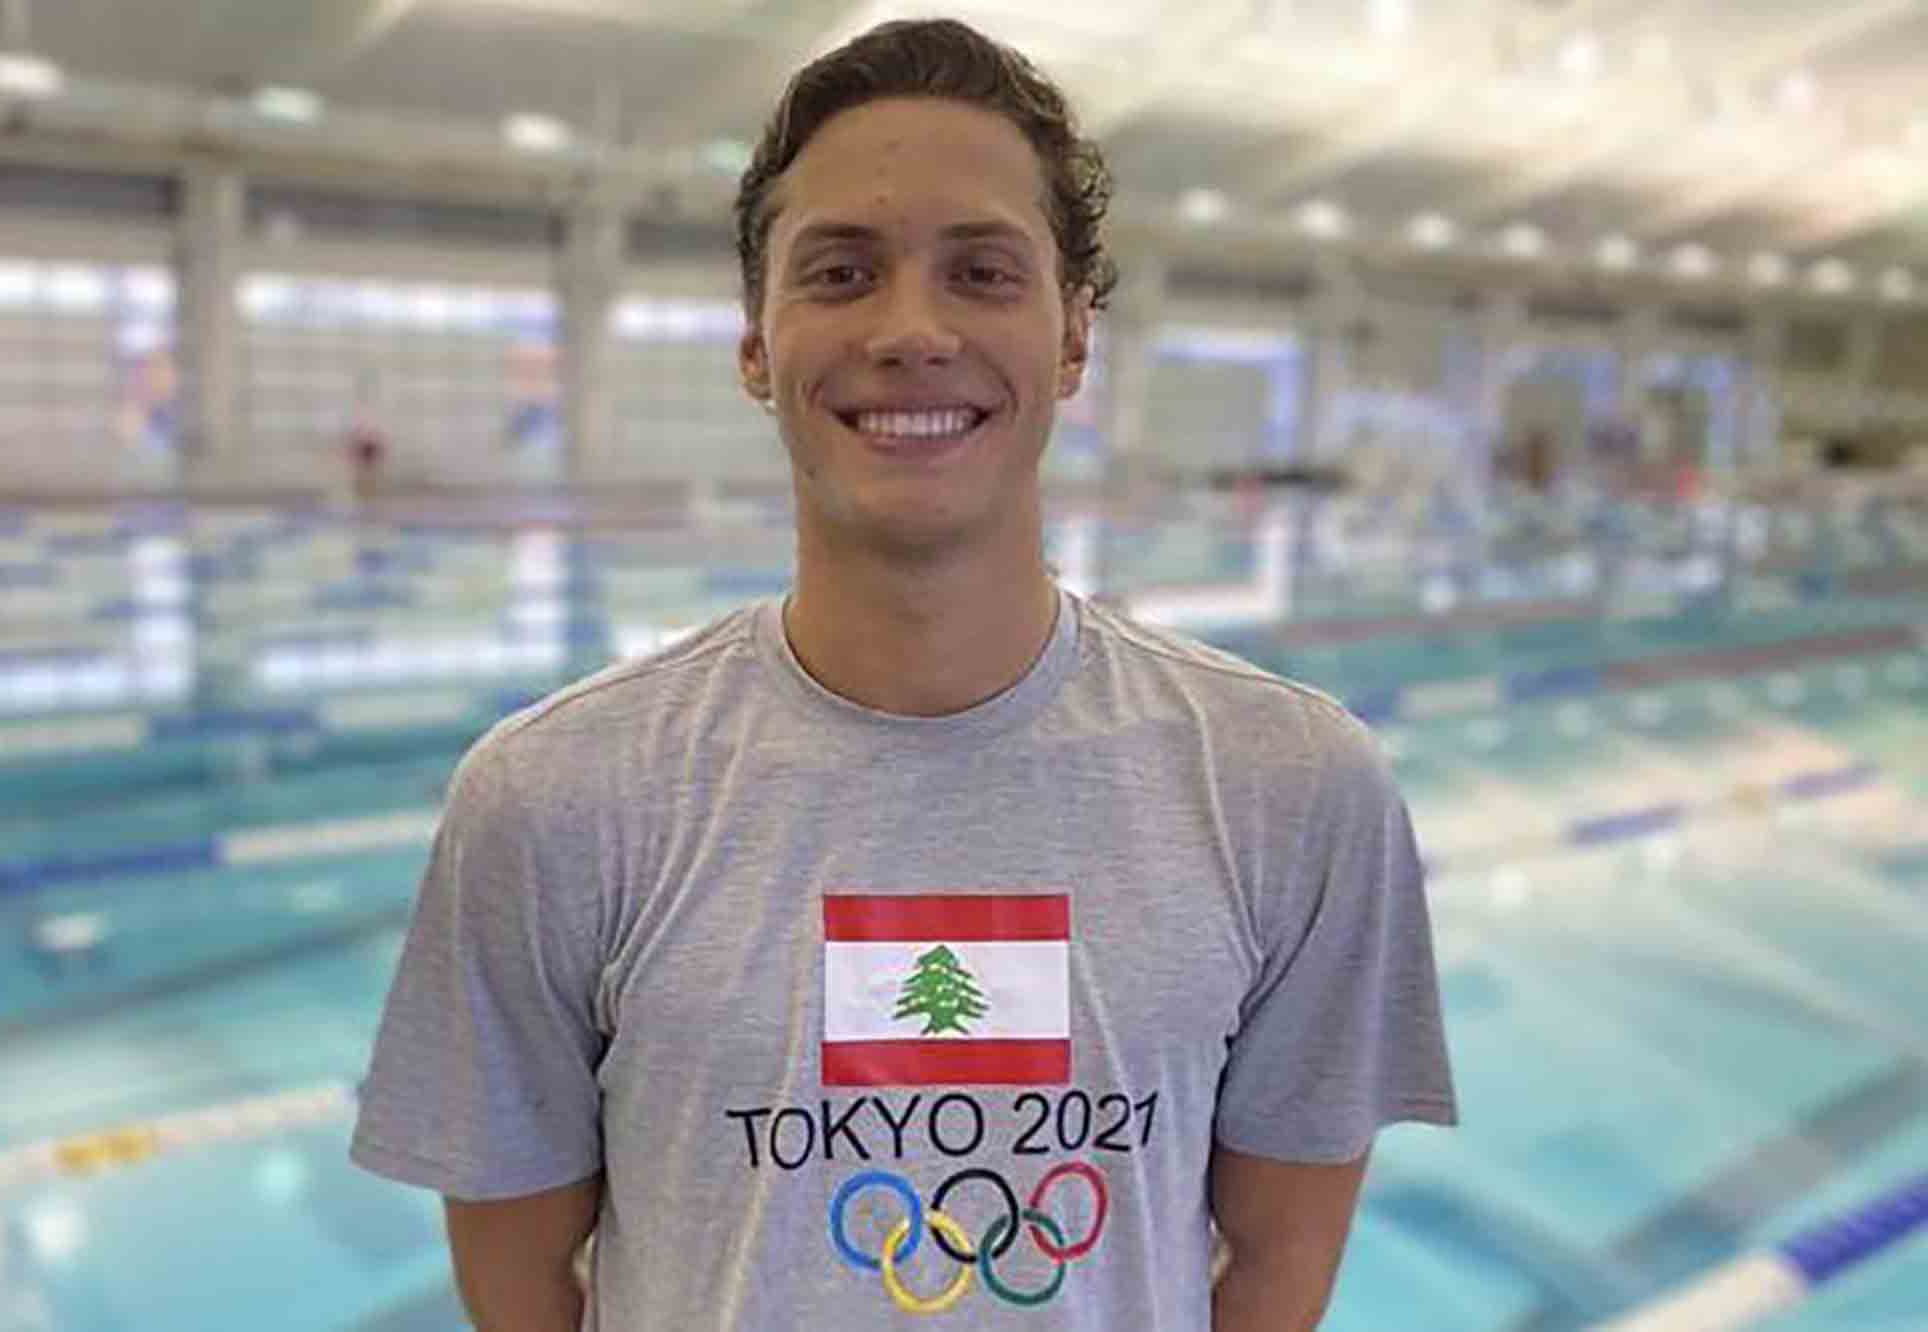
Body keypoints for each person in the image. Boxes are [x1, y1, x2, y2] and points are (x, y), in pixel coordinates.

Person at [350, 19, 1455, 1331]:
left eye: (982, 272)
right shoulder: (554, 799)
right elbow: (523, 1284)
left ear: (1072, 336)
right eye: (841, 273)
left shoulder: (1293, 787)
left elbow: (1274, 1273)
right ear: (755, 344)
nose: (912, 330)